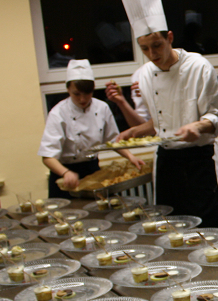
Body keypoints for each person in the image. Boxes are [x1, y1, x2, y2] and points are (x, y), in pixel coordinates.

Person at [118, 0, 218, 227]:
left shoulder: (199, 67)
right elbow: (159, 122)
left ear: (169, 37)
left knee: (206, 227)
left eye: (156, 45)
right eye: (144, 48)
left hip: (198, 161)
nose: (151, 53)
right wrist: (133, 132)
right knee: (170, 228)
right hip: (167, 161)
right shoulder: (145, 75)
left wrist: (198, 126)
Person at [38, 59, 143, 199]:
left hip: (93, 170)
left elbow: (113, 140)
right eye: (76, 94)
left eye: (87, 93)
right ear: (68, 89)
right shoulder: (58, 113)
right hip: (65, 175)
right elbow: (47, 156)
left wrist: (130, 156)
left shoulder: (102, 108)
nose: (82, 99)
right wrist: (65, 173)